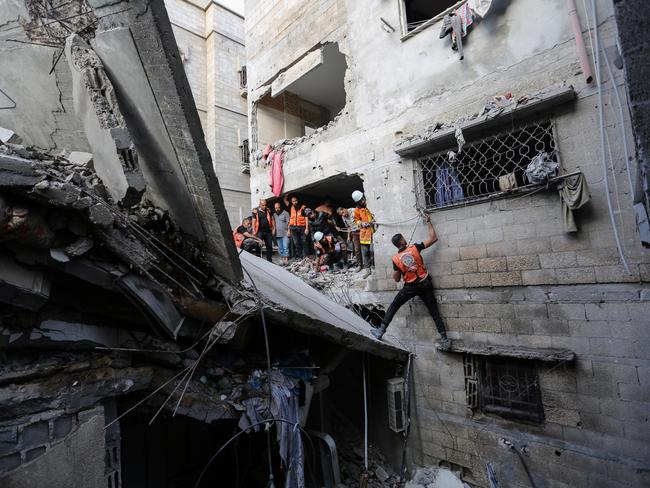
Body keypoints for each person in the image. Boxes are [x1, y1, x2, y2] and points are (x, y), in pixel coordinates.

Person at [371, 214, 448, 344]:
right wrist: (428, 222)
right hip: (425, 283)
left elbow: (396, 279)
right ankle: (445, 338)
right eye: (403, 238)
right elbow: (433, 238)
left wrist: (399, 269)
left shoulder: (395, 259)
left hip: (411, 287)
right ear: (401, 241)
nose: (405, 239)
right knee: (434, 311)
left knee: (394, 305)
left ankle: (380, 331)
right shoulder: (415, 248)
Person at [352, 191, 375, 278]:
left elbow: (373, 215)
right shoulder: (357, 210)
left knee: (372, 251)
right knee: (365, 252)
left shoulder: (369, 205)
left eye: (362, 199)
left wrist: (373, 220)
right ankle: (367, 269)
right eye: (360, 201)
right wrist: (361, 223)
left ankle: (373, 265)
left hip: (372, 232)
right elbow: (356, 220)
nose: (362, 201)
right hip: (364, 234)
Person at [286, 195, 309, 260]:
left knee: (304, 241)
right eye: (293, 201)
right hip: (293, 227)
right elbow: (290, 219)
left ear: (297, 200)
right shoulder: (291, 207)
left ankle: (306, 256)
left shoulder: (303, 207)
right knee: (296, 243)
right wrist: (288, 230)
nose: (295, 202)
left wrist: (307, 228)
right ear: (291, 202)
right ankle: (299, 256)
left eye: (295, 201)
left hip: (302, 227)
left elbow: (306, 217)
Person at [273, 201, 290, 266]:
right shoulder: (274, 215)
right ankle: (283, 260)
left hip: (285, 233)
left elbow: (288, 223)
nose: (277, 209)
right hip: (278, 234)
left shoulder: (286, 213)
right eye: (276, 208)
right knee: (280, 248)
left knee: (286, 247)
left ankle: (286, 260)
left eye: (278, 207)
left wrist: (289, 231)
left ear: (280, 207)